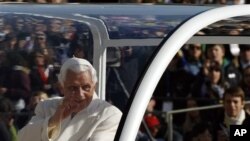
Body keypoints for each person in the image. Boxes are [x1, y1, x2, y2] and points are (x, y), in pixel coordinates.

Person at [17, 57, 122, 141]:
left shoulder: (109, 114)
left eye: (86, 87)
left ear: (94, 86)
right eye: (73, 88)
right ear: (62, 87)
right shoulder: (46, 106)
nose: (80, 94)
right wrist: (54, 120)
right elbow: (22, 138)